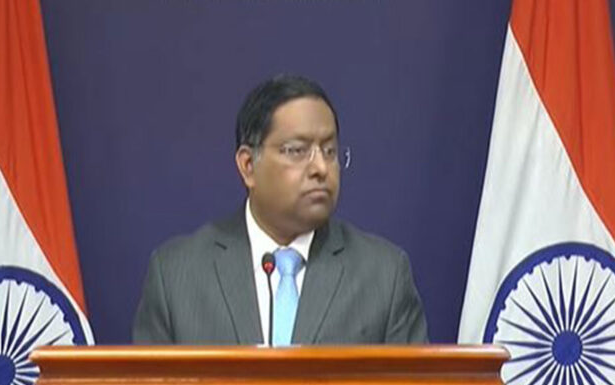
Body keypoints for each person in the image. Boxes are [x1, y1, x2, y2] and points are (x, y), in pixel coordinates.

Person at [132, 74, 428, 345]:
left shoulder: (383, 276)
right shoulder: (176, 276)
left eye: (329, 151)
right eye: (297, 151)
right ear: (248, 166)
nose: (321, 168)